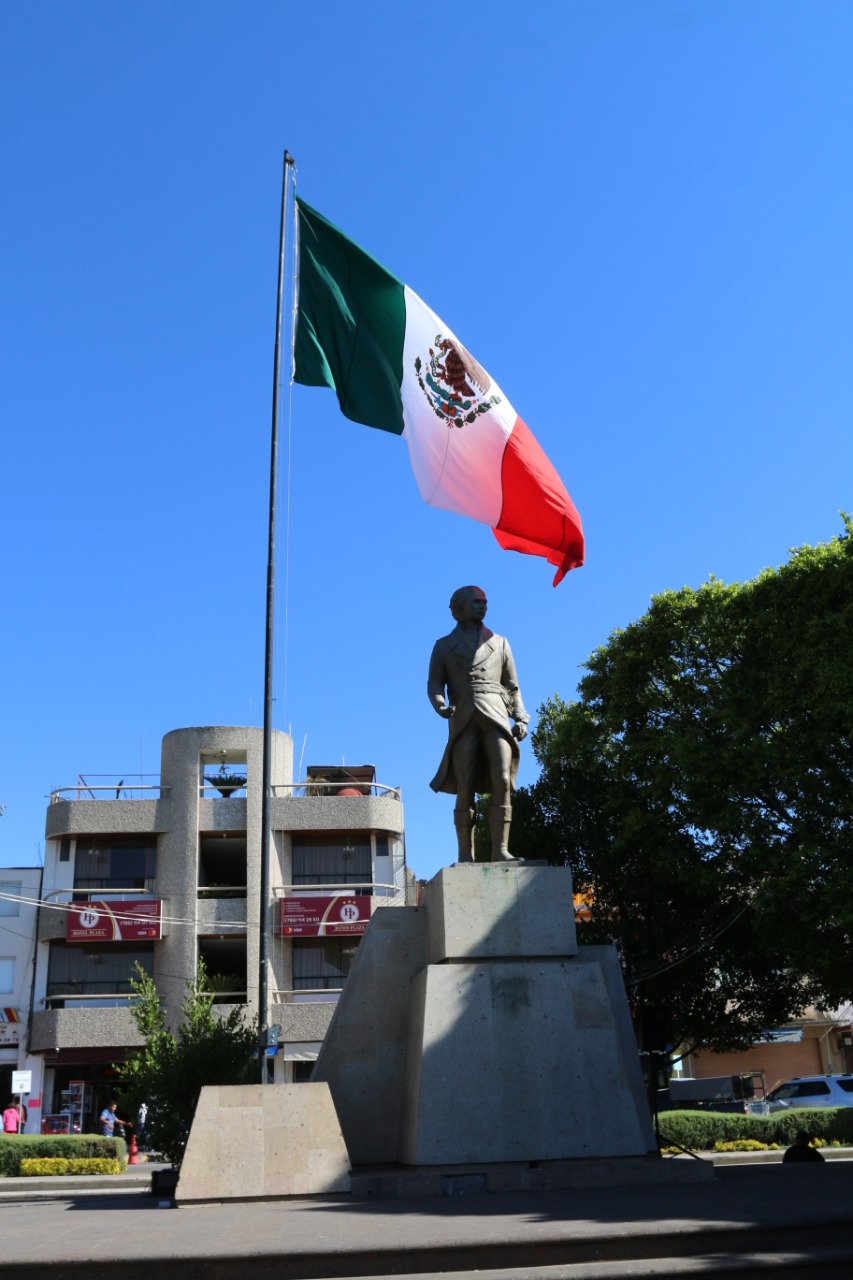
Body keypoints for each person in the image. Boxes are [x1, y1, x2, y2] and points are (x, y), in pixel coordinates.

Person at [428, 585, 529, 862]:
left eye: (485, 602)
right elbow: (435, 684)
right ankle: (465, 855)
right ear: (459, 609)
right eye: (476, 602)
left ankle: (500, 850)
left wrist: (520, 717)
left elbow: (513, 686)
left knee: (503, 779)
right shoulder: (443, 646)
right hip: (463, 716)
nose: (483, 606)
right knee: (465, 785)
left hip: (496, 712)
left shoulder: (501, 643)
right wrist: (440, 704)